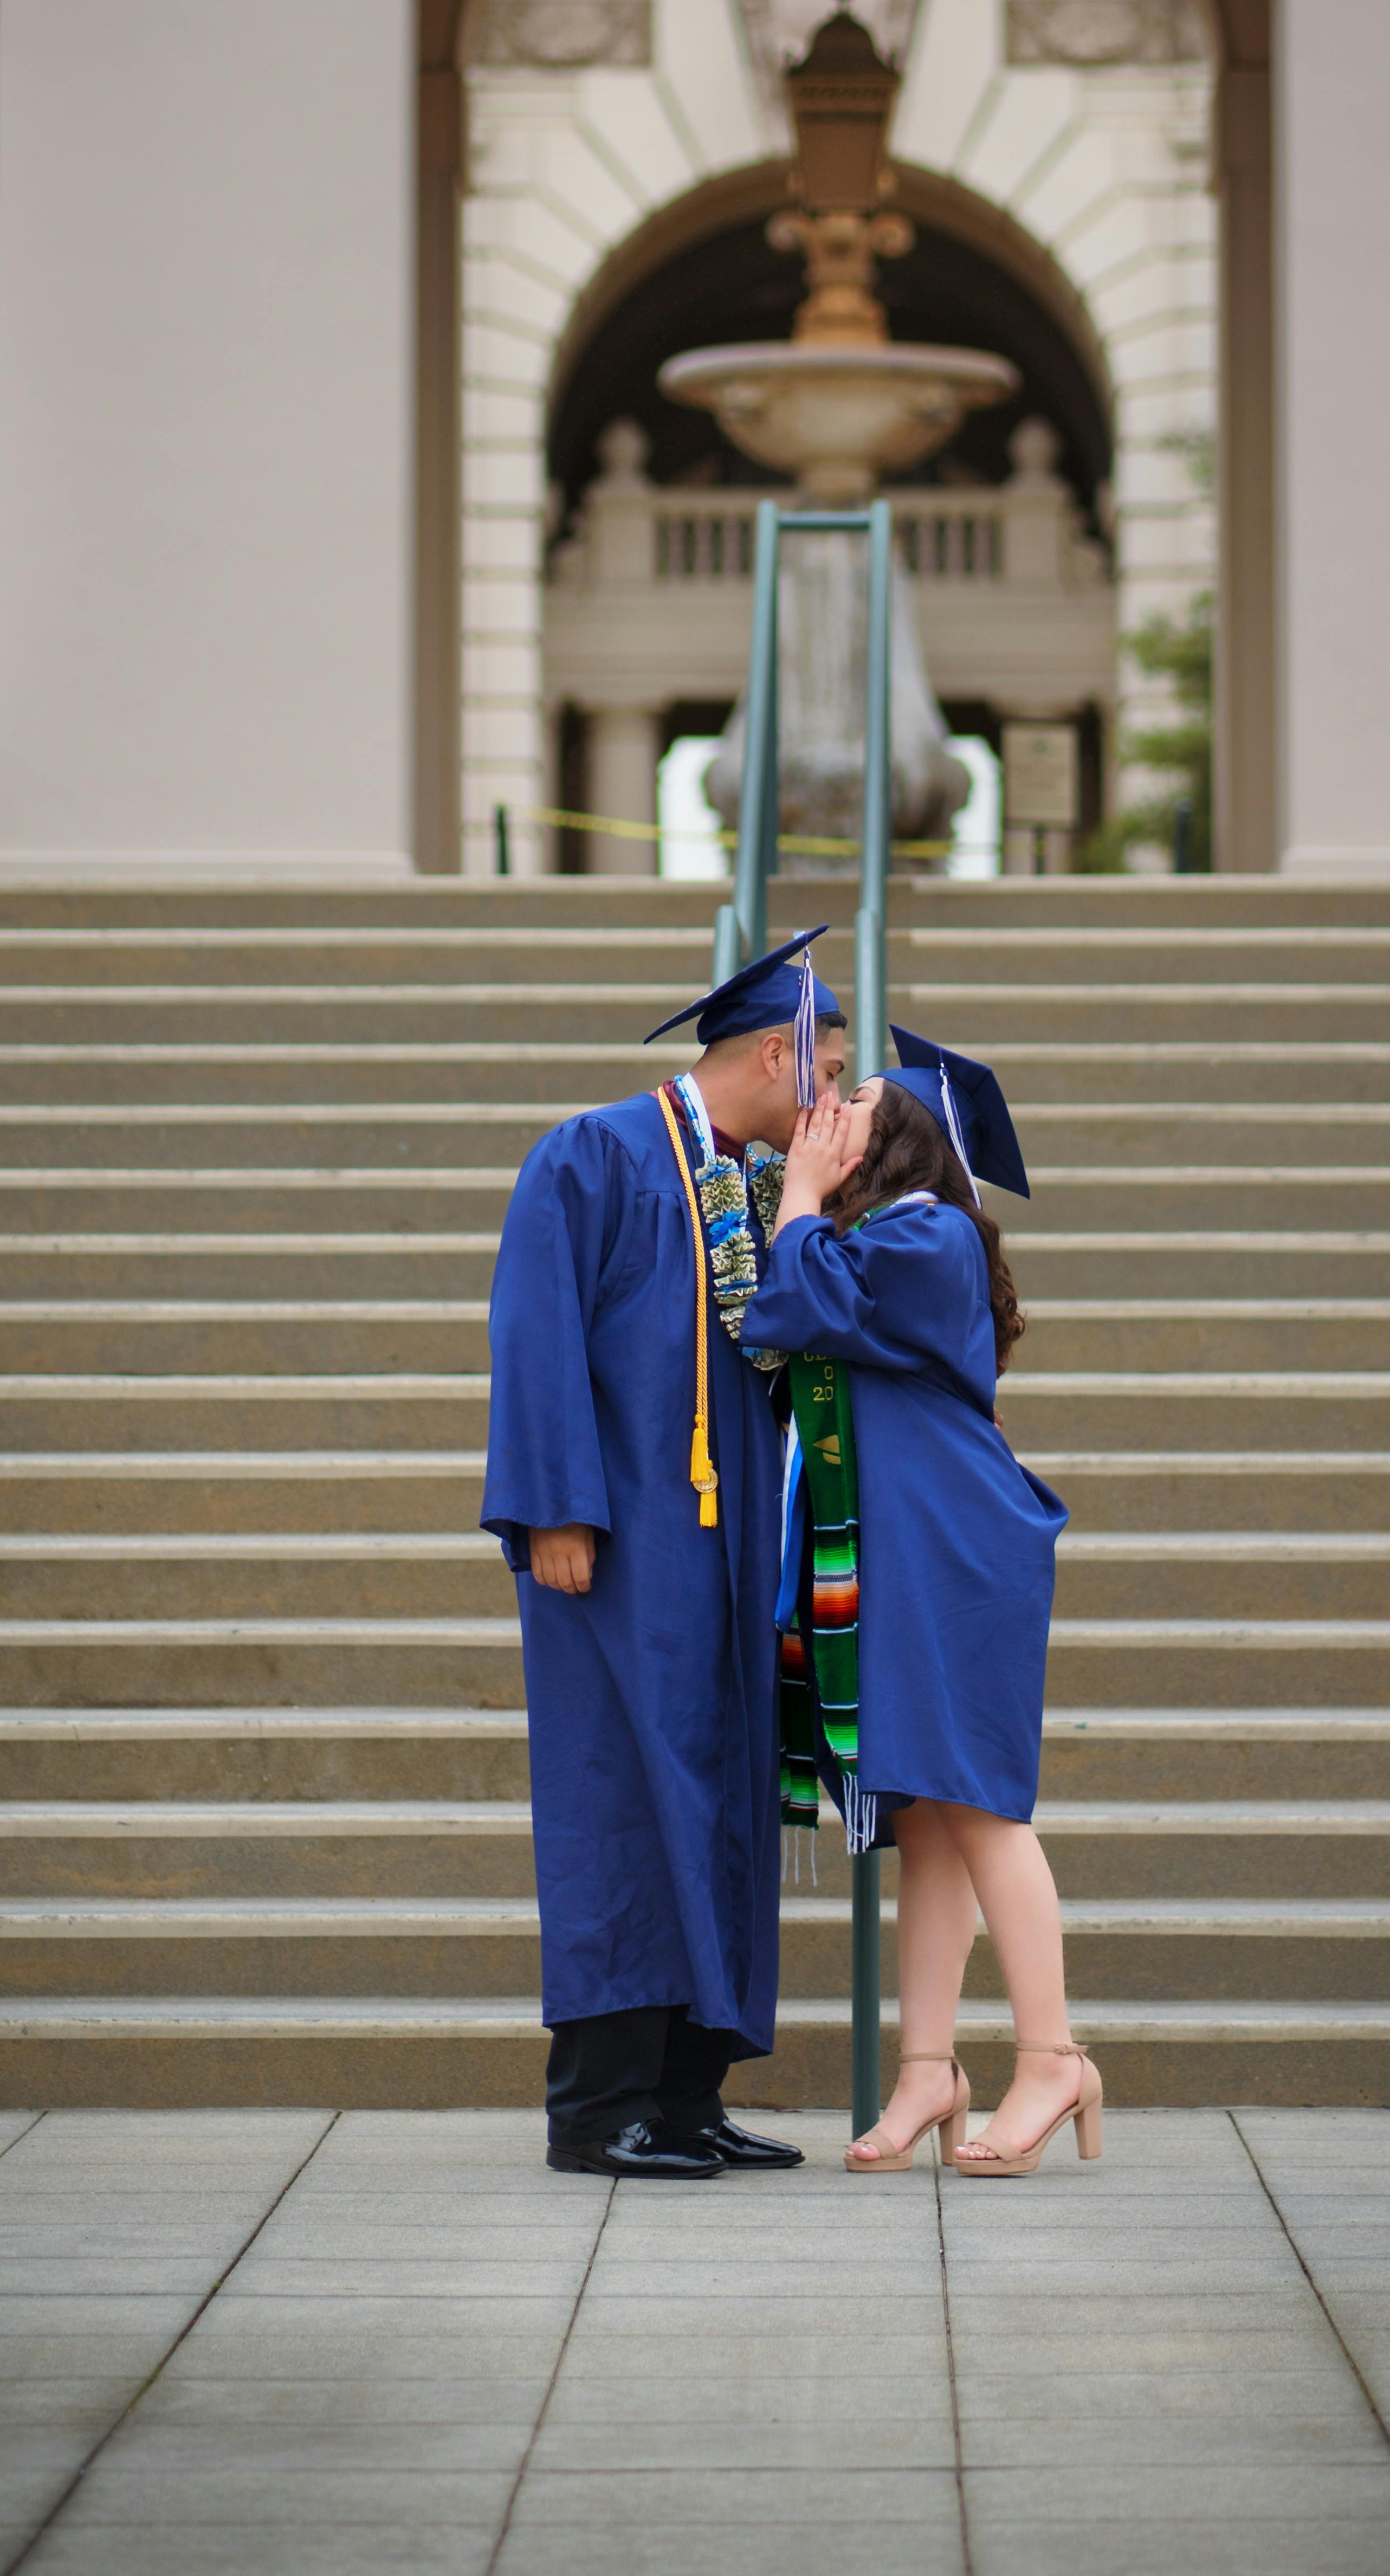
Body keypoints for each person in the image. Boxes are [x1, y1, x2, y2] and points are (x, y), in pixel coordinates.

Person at [482, 927, 847, 2180]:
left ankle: (687, 2096)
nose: (836, 1094)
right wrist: (552, 1508)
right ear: (767, 1053)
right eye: (827, 1067)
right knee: (619, 1801)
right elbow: (535, 1334)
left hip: (734, 1552)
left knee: (722, 1797)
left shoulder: (756, 1185)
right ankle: (597, 2111)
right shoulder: (595, 1152)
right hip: (621, 1542)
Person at [744, 1033, 1100, 2178]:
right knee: (932, 1817)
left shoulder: (929, 1232)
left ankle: (1052, 2057)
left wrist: (799, 1192)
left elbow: (798, 1306)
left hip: (955, 1550)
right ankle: (929, 2072)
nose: (826, 1109)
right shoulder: (898, 1236)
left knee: (982, 1805)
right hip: (914, 1545)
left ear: (898, 1143)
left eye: (852, 1105)